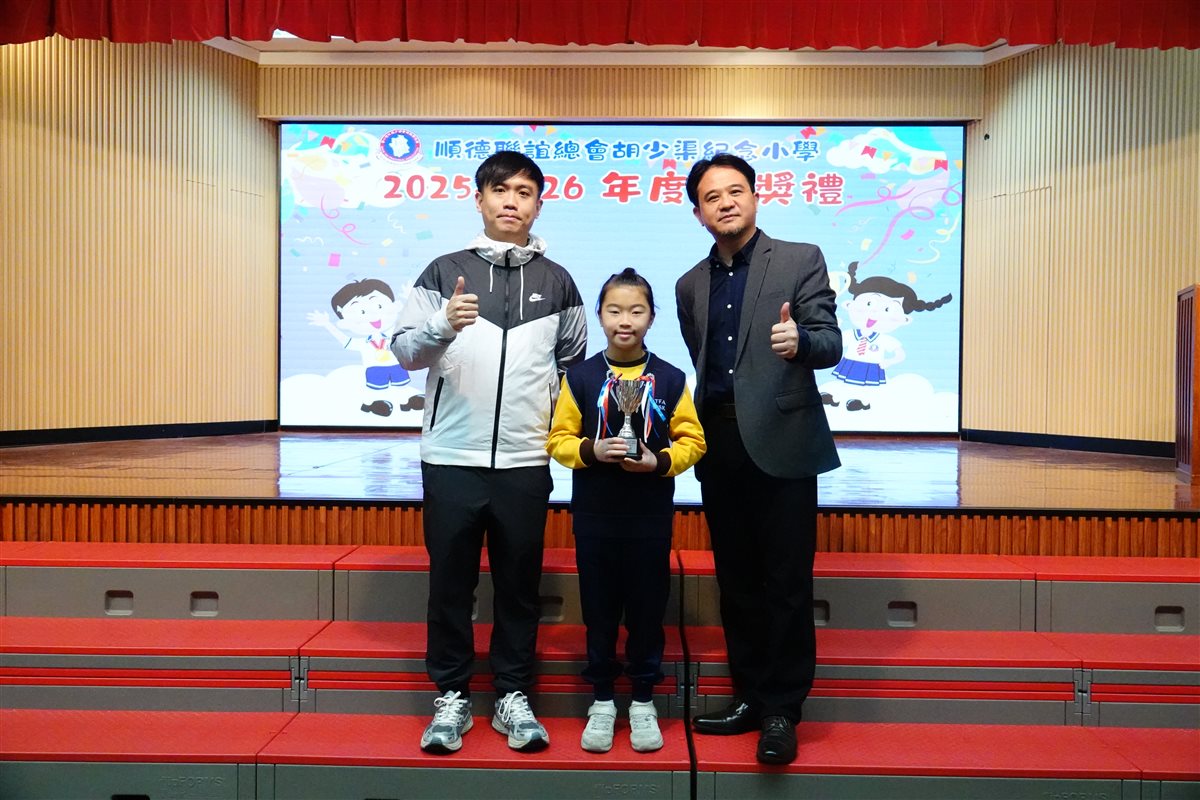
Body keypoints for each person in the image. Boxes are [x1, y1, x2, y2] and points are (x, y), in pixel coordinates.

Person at [391, 151, 587, 754]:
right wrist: (443, 324)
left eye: (524, 192)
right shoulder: (442, 271)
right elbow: (404, 352)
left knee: (519, 586)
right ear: (479, 199)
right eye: (500, 190)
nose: (511, 201)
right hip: (451, 457)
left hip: (525, 461)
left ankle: (512, 694)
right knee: (450, 585)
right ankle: (450, 696)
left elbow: (573, 368)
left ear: (538, 205)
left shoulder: (559, 281)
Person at [675, 153, 841, 765]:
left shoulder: (799, 258)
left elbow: (831, 342)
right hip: (719, 445)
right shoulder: (689, 284)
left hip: (782, 440)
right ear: (698, 213)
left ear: (754, 196)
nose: (725, 202)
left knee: (786, 583)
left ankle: (782, 710)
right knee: (737, 581)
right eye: (711, 196)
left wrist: (801, 341)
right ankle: (748, 695)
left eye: (735, 190)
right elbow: (703, 357)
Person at [546, 268, 706, 754]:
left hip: (649, 519)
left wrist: (660, 462)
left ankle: (641, 700)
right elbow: (557, 439)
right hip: (594, 517)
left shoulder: (671, 378)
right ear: (599, 316)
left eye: (636, 311)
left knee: (646, 612)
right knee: (598, 613)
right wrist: (592, 451)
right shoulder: (581, 377)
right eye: (614, 310)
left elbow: (694, 441)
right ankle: (601, 700)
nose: (625, 320)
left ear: (651, 318)